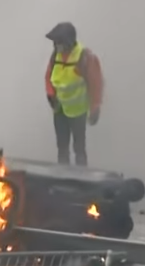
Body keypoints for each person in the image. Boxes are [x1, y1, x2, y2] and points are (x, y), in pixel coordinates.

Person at [44, 22, 104, 167]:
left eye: (59, 42)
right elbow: (48, 77)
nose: (56, 45)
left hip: (78, 112)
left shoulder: (85, 57)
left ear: (69, 42)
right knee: (62, 147)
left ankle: (81, 176)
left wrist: (95, 107)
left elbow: (96, 84)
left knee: (79, 148)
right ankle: (63, 173)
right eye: (55, 42)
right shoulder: (55, 56)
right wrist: (51, 95)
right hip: (59, 109)